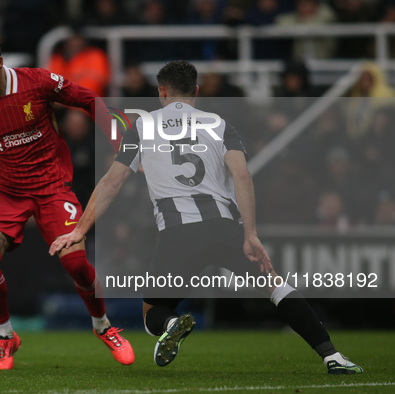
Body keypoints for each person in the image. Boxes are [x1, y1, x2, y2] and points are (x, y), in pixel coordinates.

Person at [50, 60, 363, 375]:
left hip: (176, 234)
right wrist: (250, 234)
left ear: (161, 92)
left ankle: (173, 322)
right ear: (195, 91)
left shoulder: (142, 126)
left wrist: (80, 230)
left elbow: (111, 182)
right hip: (224, 228)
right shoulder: (219, 124)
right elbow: (242, 175)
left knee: (152, 313)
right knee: (276, 288)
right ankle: (332, 356)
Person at [0, 26, 134, 370]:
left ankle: (103, 326)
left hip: (51, 186)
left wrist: (118, 139)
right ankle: (5, 336)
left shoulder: (37, 82)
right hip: (4, 191)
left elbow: (89, 99)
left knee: (75, 263)